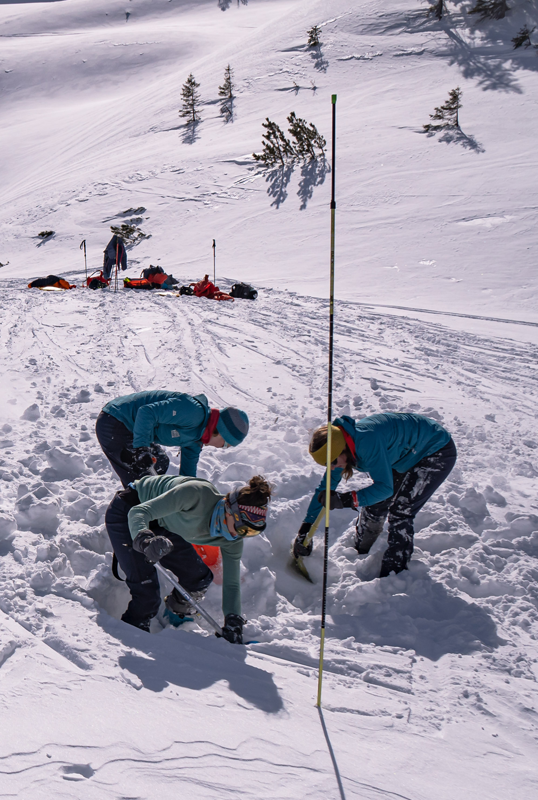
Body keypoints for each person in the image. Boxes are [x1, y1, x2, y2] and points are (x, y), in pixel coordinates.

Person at [105, 474, 271, 639]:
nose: (241, 535)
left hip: (163, 523)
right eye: (243, 528)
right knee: (146, 594)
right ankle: (131, 639)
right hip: (130, 511)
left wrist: (233, 618)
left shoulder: (232, 540)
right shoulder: (196, 495)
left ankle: (173, 618)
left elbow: (232, 583)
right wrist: (144, 539)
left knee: (198, 579)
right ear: (229, 510)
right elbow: (138, 512)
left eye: (252, 532)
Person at [293, 412, 457, 578]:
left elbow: (385, 488)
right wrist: (305, 528)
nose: (333, 467)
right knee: (376, 502)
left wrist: (347, 500)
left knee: (401, 511)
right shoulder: (340, 445)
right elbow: (324, 489)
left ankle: (394, 575)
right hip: (402, 452)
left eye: (333, 462)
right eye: (327, 464)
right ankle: (361, 549)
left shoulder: (366, 443)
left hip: (434, 449)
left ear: (343, 449)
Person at [95, 390, 249, 487]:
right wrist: (142, 449)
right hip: (116, 420)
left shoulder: (196, 440)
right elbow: (146, 412)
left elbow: (187, 477)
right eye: (226, 444)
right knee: (143, 484)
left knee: (160, 463)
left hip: (133, 430)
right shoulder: (193, 412)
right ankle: (132, 529)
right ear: (221, 431)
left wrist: (189, 497)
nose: (222, 448)